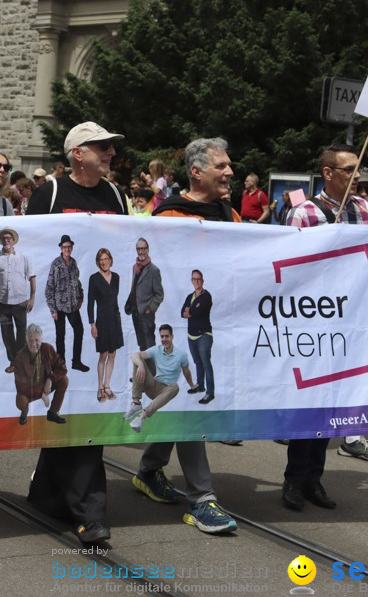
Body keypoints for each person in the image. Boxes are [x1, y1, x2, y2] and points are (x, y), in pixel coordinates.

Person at [26, 120, 128, 546]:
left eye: (111, 148)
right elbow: (31, 252)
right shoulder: (48, 194)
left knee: (84, 409)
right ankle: (89, 512)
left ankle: (50, 496)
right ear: (77, 154)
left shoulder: (116, 195)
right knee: (73, 405)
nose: (109, 154)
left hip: (99, 315)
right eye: (101, 147)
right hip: (58, 318)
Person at [133, 137, 239, 534]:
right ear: (196, 172)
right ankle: (202, 498)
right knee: (189, 404)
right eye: (221, 166)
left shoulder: (231, 214)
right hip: (174, 330)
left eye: (229, 165)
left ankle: (148, 470)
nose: (229, 172)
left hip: (215, 325)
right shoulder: (168, 214)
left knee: (180, 405)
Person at [284, 144, 368, 505]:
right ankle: (294, 480)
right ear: (328, 173)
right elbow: (289, 268)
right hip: (314, 324)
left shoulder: (363, 209)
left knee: (332, 404)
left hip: (349, 322)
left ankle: (315, 479)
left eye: (358, 169)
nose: (356, 175)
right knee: (309, 402)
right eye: (348, 170)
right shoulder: (305, 213)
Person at [124, 324, 194, 434]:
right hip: (153, 385)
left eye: (167, 336)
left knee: (175, 386)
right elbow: (134, 355)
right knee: (138, 361)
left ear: (172, 336)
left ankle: (141, 418)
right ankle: (136, 403)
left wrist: (192, 385)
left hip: (167, 389)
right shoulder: (157, 350)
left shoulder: (181, 355)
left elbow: (186, 371)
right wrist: (141, 365)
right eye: (162, 337)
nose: (164, 339)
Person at [0, 227, 35, 373]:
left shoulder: (23, 256)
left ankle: (20, 361)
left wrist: (32, 298)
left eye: (9, 238)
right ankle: (13, 361)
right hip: (3, 302)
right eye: (4, 238)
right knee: (7, 333)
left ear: (13, 240)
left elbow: (32, 277)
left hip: (20, 301)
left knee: (21, 333)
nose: (6, 240)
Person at [46, 234, 87, 373]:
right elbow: (49, 287)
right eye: (64, 247)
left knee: (79, 330)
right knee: (60, 335)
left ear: (72, 248)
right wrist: (52, 309)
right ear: (61, 248)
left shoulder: (74, 262)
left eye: (69, 247)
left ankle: (76, 361)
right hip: (59, 306)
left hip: (73, 305)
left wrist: (80, 296)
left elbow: (77, 281)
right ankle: (61, 365)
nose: (67, 249)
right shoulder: (56, 264)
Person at [13, 324, 68, 425]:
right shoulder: (20, 357)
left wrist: (50, 379)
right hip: (28, 391)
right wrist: (41, 394)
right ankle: (24, 414)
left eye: (36, 340)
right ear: (26, 341)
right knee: (21, 401)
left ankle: (53, 413)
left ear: (41, 340)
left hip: (45, 386)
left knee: (64, 380)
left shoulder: (48, 349)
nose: (34, 343)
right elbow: (21, 386)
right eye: (30, 340)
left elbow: (62, 368)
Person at [88, 247, 122, 402]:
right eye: (101, 259)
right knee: (103, 354)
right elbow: (90, 304)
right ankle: (100, 388)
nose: (103, 262)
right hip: (101, 320)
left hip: (115, 319)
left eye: (106, 259)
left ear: (110, 260)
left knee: (112, 354)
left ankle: (108, 386)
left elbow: (114, 300)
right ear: (98, 262)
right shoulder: (94, 278)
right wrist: (92, 324)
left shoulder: (116, 277)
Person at [124, 238, 164, 354]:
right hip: (135, 312)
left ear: (148, 249)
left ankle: (153, 371)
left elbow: (159, 294)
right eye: (138, 249)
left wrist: (150, 309)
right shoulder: (134, 267)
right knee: (141, 344)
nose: (140, 251)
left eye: (143, 248)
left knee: (150, 344)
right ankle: (145, 371)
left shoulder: (154, 270)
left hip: (146, 314)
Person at [182, 270, 216, 404]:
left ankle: (210, 393)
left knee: (206, 363)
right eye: (194, 279)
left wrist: (190, 311)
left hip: (204, 335)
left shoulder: (206, 296)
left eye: (199, 279)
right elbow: (182, 312)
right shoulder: (190, 296)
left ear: (203, 281)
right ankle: (200, 386)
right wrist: (191, 311)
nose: (196, 281)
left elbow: (196, 312)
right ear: (191, 281)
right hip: (191, 335)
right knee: (197, 362)